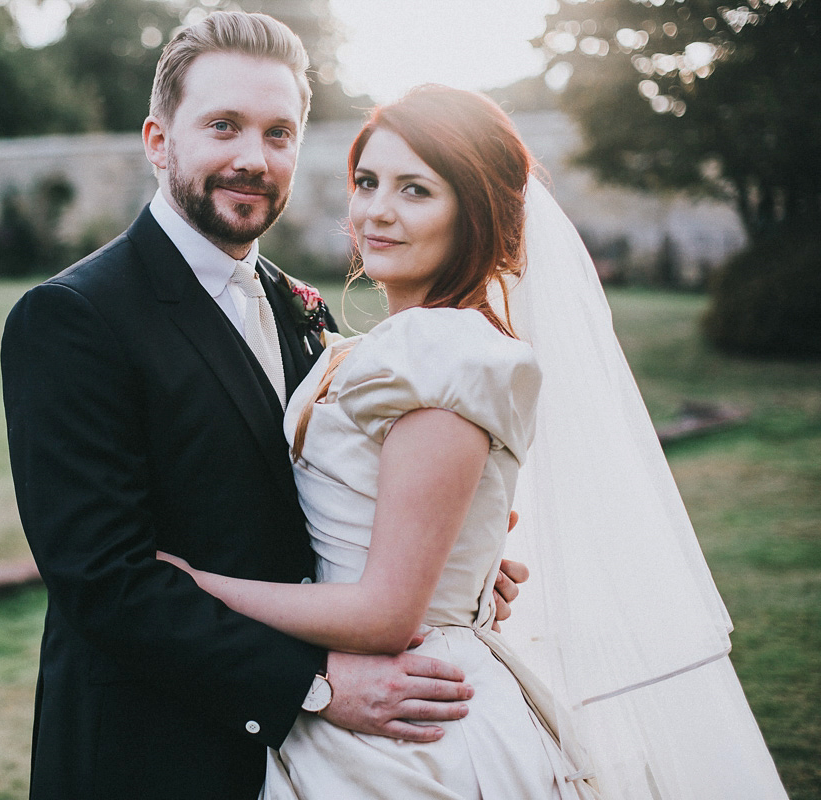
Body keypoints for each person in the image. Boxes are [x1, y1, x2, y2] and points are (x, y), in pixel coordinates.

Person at [158, 85, 789, 799]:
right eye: (367, 182)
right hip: (358, 708)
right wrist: (469, 563)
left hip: (413, 731)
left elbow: (386, 614)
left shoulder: (447, 360)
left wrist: (195, 585)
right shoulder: (379, 348)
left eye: (417, 190)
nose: (377, 212)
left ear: (475, 215)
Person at [0, 13, 527, 800]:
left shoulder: (295, 304)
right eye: (223, 126)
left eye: (279, 133)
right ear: (157, 140)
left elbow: (326, 494)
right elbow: (104, 581)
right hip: (152, 753)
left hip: (312, 764)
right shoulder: (73, 318)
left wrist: (448, 559)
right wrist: (315, 684)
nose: (253, 158)